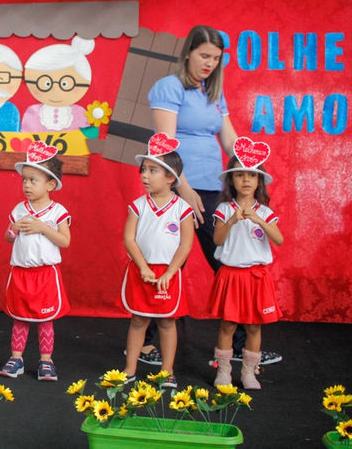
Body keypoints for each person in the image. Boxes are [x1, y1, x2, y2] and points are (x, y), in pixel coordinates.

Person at [146, 24, 281, 366]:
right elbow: (166, 146)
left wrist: (251, 166)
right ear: (188, 53)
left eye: (216, 58)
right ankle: (146, 345)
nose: (209, 63)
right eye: (204, 55)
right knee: (169, 262)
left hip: (213, 189)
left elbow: (230, 140)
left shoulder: (212, 92)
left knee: (229, 262)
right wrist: (184, 188)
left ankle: (241, 347)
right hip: (179, 188)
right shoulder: (169, 87)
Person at [121, 134, 194, 389]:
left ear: (171, 177)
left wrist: (170, 272)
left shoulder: (182, 208)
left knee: (166, 322)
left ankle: (167, 371)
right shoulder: (138, 205)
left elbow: (185, 244)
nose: (145, 175)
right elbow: (129, 238)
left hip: (167, 274)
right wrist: (143, 267)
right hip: (141, 270)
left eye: (153, 170)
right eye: (144, 170)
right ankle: (130, 369)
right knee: (138, 320)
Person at [209, 139, 283, 390]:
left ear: (259, 181)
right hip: (231, 275)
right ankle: (224, 371)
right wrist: (232, 220)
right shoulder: (223, 208)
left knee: (253, 325)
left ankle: (249, 372)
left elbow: (279, 239)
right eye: (240, 175)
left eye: (252, 175)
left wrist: (259, 221)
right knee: (228, 324)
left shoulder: (265, 211)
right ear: (231, 180)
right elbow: (217, 240)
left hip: (256, 276)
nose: (246, 180)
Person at [0, 141, 70, 382]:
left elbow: (65, 241)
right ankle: (16, 359)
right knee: (20, 317)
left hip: (45, 273)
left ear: (50, 184)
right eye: (24, 180)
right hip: (21, 272)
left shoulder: (57, 211)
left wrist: (43, 228)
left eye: (33, 180)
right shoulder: (19, 209)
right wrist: (14, 229)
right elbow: (8, 237)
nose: (27, 185)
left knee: (45, 320)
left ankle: (46, 361)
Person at [21, 36, 94, 132]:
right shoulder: (33, 112)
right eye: (46, 83)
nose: (55, 90)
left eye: (65, 84)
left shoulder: (79, 113)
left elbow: (86, 134)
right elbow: (26, 134)